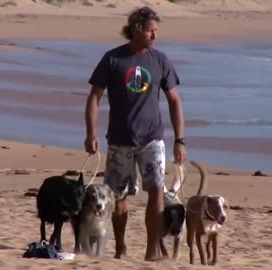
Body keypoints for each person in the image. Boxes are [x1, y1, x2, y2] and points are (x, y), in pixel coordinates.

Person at [84, 6, 187, 261]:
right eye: (152, 31)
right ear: (138, 29)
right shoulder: (113, 59)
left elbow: (174, 100)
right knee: (118, 196)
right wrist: (90, 133)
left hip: (152, 138)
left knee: (157, 190)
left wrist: (180, 140)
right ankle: (120, 246)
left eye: (156, 32)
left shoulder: (160, 59)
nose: (155, 36)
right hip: (120, 139)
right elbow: (94, 97)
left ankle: (152, 250)